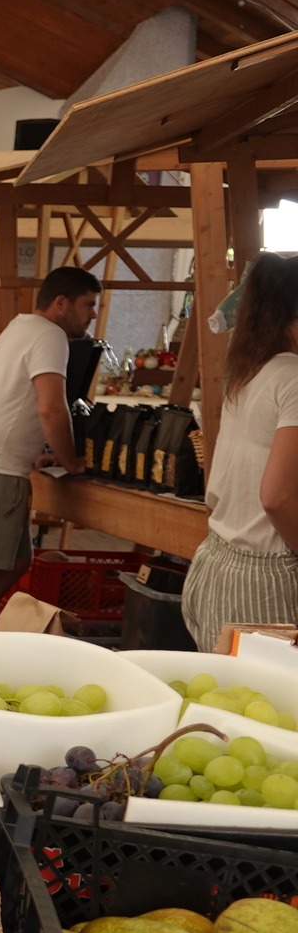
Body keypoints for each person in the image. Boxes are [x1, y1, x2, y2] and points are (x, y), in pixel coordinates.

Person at [0, 266, 99, 630]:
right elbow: (51, 407)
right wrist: (71, 460)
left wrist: (43, 453)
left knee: (15, 561)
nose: (92, 314)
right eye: (88, 304)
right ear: (61, 303)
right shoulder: (50, 335)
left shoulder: (22, 326)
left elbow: (22, 404)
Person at [181, 254, 298, 649]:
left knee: (227, 702)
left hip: (217, 561)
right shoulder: (294, 378)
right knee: (266, 708)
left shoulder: (253, 371)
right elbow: (278, 497)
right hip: (263, 581)